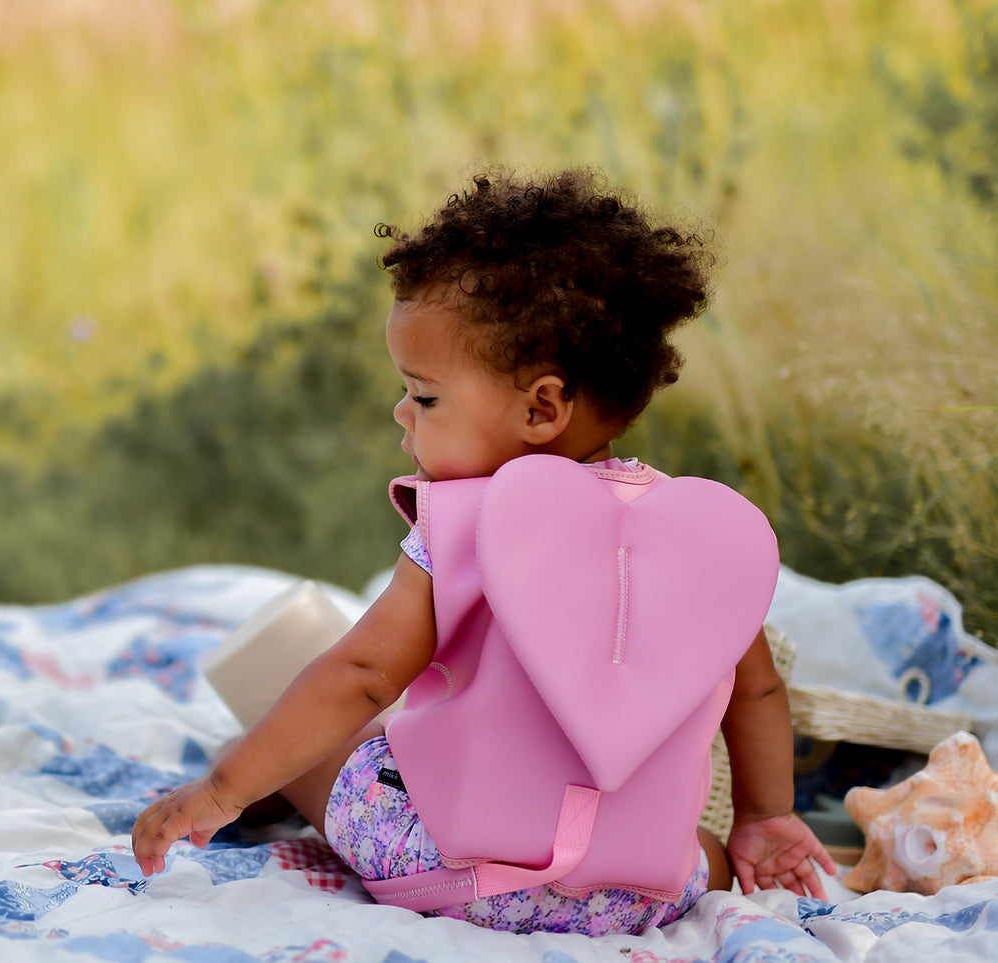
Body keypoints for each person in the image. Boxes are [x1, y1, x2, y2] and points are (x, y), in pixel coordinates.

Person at [132, 167, 836, 936]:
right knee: (674, 841)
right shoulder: (703, 536)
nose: (401, 413)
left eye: (424, 395)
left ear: (540, 407)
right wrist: (765, 815)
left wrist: (225, 785)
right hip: (640, 893)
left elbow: (362, 676)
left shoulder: (463, 521)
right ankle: (720, 854)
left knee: (328, 745)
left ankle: (260, 788)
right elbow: (756, 691)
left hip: (450, 868)